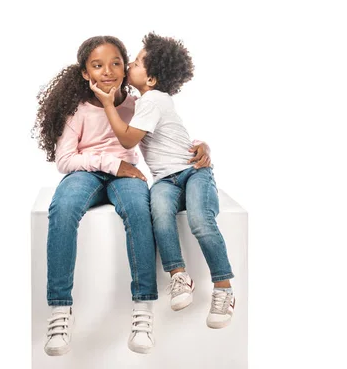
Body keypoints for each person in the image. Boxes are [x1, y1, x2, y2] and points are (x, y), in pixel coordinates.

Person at [32, 35, 212, 355]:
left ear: (126, 67)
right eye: (97, 65)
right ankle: (60, 310)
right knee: (62, 208)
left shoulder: (138, 103)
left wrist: (200, 146)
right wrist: (111, 163)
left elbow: (168, 132)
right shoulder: (77, 109)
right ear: (85, 73)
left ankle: (143, 308)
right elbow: (65, 160)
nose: (108, 71)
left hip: (126, 177)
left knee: (140, 211)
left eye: (117, 63)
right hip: (86, 173)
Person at [90, 32, 236, 329]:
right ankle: (179, 276)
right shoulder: (145, 100)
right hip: (165, 180)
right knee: (160, 215)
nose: (130, 64)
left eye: (138, 62)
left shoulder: (153, 100)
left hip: (192, 171)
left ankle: (224, 288)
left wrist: (106, 105)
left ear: (153, 79)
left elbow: (128, 140)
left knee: (200, 220)